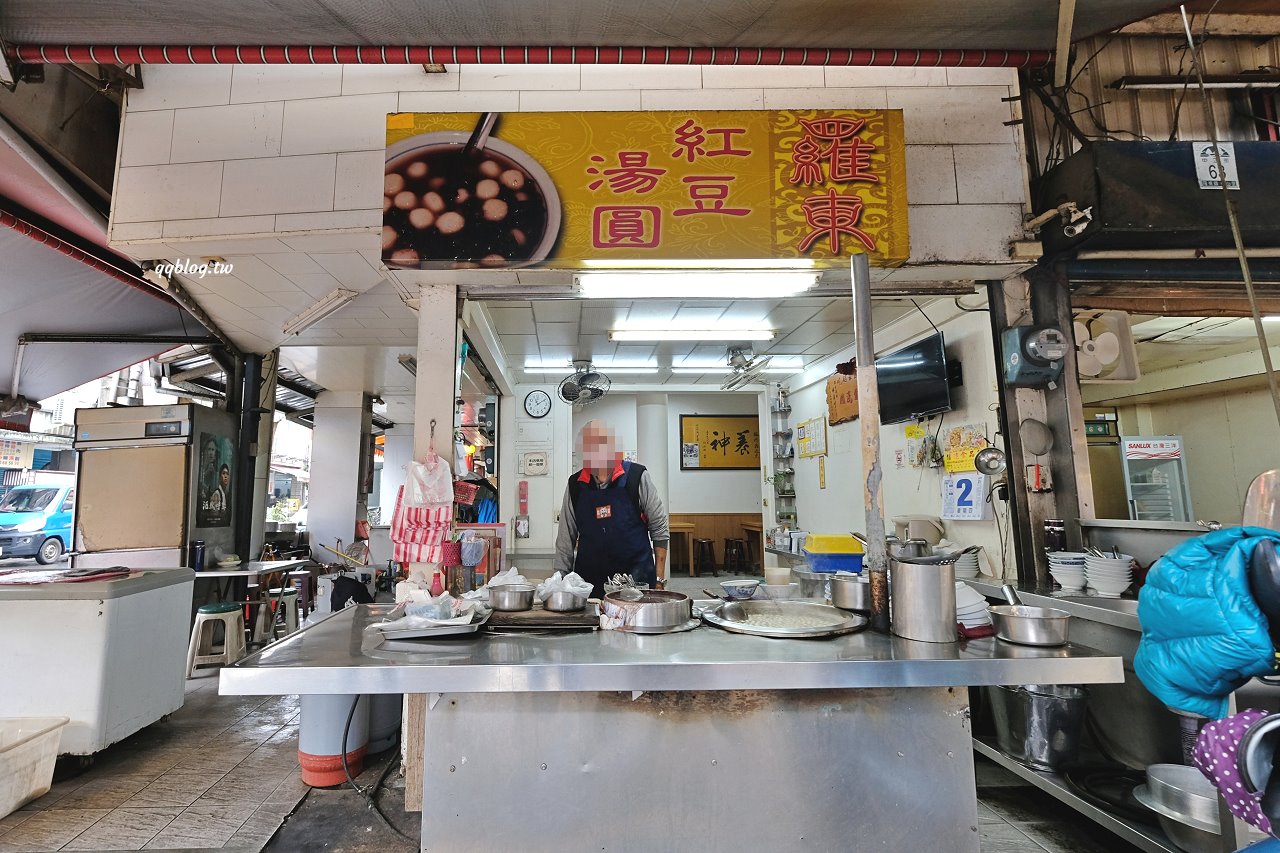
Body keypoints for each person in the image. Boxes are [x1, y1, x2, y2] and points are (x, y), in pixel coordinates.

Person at [554, 420, 669, 597]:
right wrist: (560, 583)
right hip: (589, 583)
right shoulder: (575, 485)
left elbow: (659, 527)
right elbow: (565, 539)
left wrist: (659, 580)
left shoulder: (636, 477)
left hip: (637, 580)